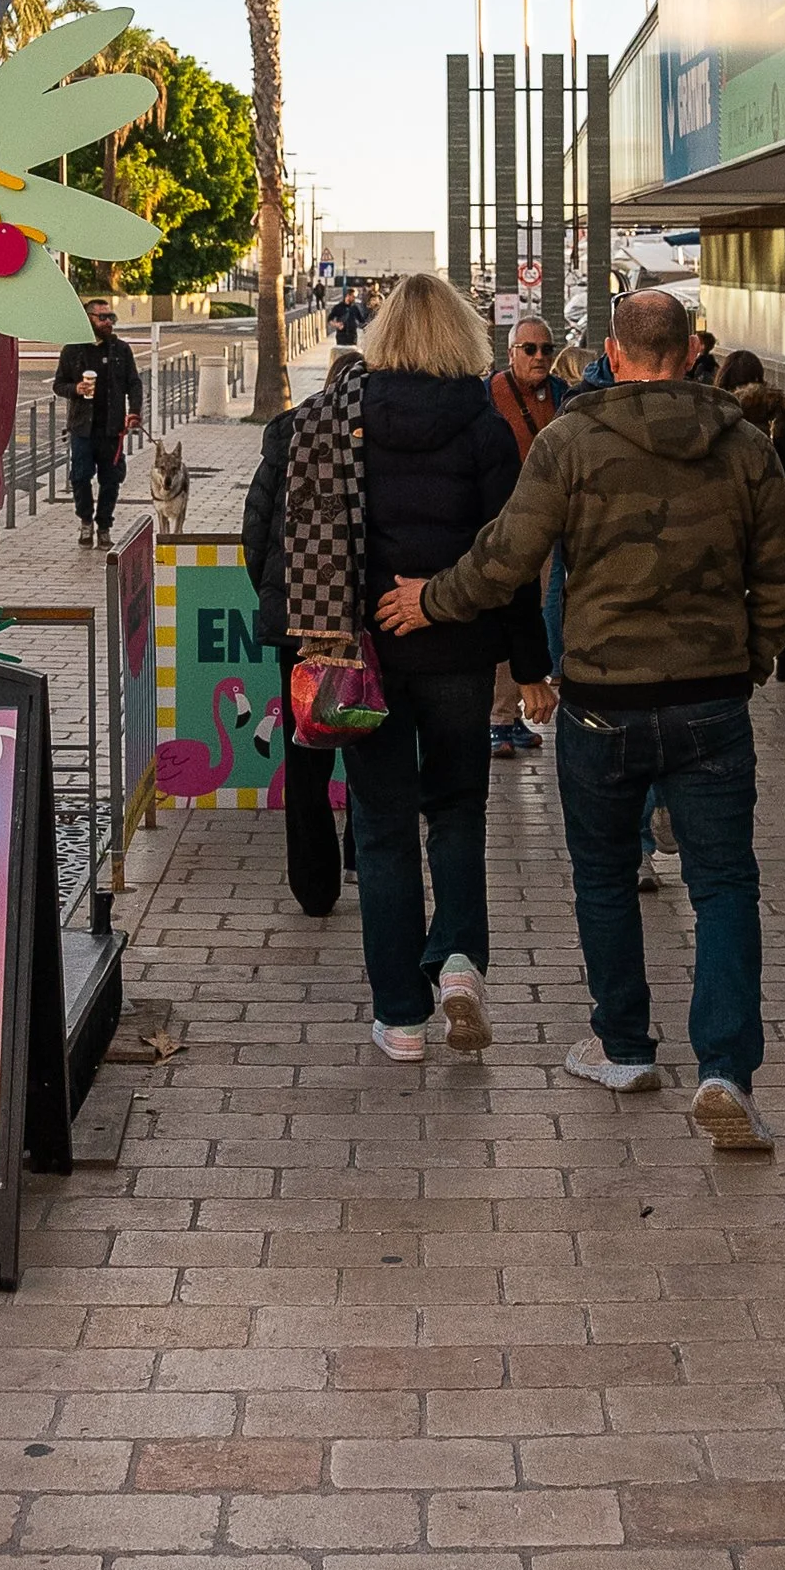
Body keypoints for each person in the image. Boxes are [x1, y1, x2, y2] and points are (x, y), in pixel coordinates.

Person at [378, 284, 785, 1152]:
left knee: (604, 876)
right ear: (690, 354)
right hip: (712, 701)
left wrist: (432, 599)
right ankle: (725, 1070)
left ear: (612, 353)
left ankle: (624, 1047)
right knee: (725, 886)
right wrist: (750, 661)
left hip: (603, 705)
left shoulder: (570, 441)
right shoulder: (746, 448)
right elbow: (781, 574)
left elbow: (506, 558)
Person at [287, 273, 550, 1066]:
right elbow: (511, 557)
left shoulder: (336, 418)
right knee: (460, 807)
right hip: (460, 649)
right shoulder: (483, 421)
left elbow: (302, 536)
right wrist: (533, 666)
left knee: (383, 826)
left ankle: (401, 1015)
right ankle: (462, 962)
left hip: (363, 654)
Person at [241, 405, 341, 919]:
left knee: (304, 752)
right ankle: (364, 860)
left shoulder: (289, 433)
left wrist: (273, 595)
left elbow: (255, 528)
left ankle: (313, 882)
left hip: (298, 618)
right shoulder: (368, 431)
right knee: (374, 742)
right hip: (362, 622)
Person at [487, 318, 563, 745]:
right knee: (511, 615)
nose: (539, 357)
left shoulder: (561, 397)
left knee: (530, 615)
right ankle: (498, 718)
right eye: (529, 348)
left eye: (546, 349)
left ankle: (507, 715)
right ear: (511, 351)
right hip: (501, 526)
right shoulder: (489, 395)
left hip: (547, 524)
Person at [53, 297, 141, 546]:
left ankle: (104, 526)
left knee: (111, 479)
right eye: (102, 317)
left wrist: (134, 411)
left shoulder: (121, 350)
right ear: (88, 319)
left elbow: (134, 383)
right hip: (83, 427)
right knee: (80, 477)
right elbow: (58, 385)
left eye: (110, 317)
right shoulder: (73, 350)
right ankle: (85, 521)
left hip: (112, 428)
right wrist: (76, 388)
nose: (108, 322)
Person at [719, 350, 785, 503]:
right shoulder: (772, 408)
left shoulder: (718, 409)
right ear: (758, 376)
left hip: (731, 497)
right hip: (772, 494)